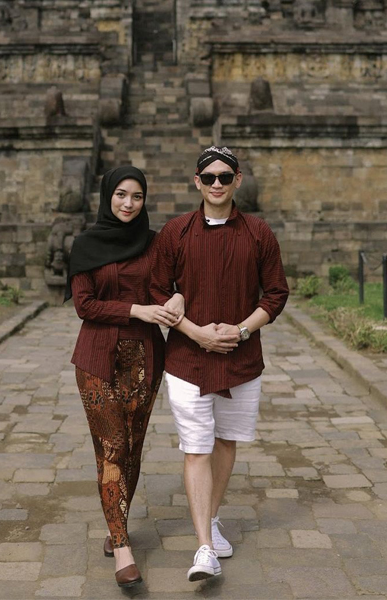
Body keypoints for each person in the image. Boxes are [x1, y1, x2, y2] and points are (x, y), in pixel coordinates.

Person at [150, 146, 289, 581]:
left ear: (237, 180)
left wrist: (242, 330)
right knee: (196, 447)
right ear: (196, 181)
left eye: (224, 177)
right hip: (187, 360)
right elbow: (157, 289)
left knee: (227, 441)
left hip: (241, 360)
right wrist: (197, 332)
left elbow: (276, 293)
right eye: (208, 177)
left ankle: (210, 518)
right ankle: (205, 549)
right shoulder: (176, 232)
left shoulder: (258, 233)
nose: (216, 184)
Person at [67, 166, 183, 588]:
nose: (128, 203)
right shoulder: (85, 245)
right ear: (107, 196)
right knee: (112, 448)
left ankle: (116, 526)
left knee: (131, 450)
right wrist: (136, 310)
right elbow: (85, 305)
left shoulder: (155, 244)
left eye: (136, 196)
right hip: (98, 359)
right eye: (120, 194)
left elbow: (174, 283)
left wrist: (177, 298)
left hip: (146, 358)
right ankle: (122, 548)